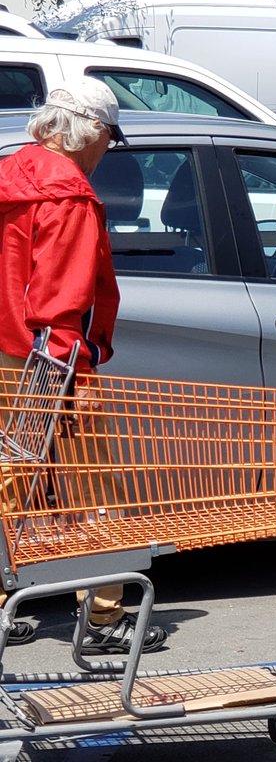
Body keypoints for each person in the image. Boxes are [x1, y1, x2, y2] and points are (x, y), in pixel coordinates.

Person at [0, 77, 167, 654]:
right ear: (91, 129)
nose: (107, 151)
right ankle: (102, 616)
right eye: (109, 138)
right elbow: (61, 299)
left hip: (7, 353)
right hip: (49, 360)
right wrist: (80, 377)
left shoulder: (10, 175)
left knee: (10, 478)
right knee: (92, 488)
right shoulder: (69, 195)